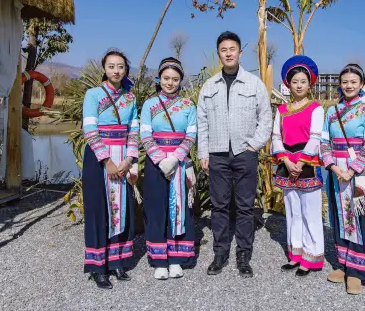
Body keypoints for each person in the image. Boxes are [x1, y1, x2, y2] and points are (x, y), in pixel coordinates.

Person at [197, 31, 272, 278]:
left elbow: (266, 118)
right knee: (218, 206)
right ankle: (220, 253)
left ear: (240, 52)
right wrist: (203, 152)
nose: (228, 53)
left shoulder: (254, 84)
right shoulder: (209, 86)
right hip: (217, 154)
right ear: (219, 54)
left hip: (244, 153)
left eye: (232, 49)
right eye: (223, 50)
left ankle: (243, 254)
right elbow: (202, 122)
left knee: (244, 207)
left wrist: (253, 145)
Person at [320, 63, 365, 295]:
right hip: (336, 172)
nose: (348, 85)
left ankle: (359, 271)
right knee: (339, 217)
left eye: (353, 82)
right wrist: (335, 168)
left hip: (357, 172)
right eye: (345, 82)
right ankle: (344, 265)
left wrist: (351, 170)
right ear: (340, 84)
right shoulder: (331, 111)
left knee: (358, 219)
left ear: (361, 84)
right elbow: (324, 143)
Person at [82, 49, 139, 290]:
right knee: (98, 211)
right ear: (104, 69)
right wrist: (107, 162)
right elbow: (90, 130)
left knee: (121, 209)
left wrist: (128, 161)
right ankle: (98, 267)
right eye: (111, 66)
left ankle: (118, 261)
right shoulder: (93, 95)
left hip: (123, 157)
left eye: (121, 67)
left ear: (126, 70)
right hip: (98, 159)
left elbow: (133, 130)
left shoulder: (130, 98)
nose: (116, 70)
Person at [140, 57, 197, 280]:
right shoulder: (149, 105)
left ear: (180, 81)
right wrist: (160, 159)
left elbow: (191, 134)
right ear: (159, 79)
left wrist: (175, 158)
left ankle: (176, 259)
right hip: (155, 164)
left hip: (179, 162)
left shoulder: (188, 105)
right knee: (156, 209)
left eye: (175, 79)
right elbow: (145, 133)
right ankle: (159, 260)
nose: (170, 83)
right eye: (166, 78)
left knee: (180, 209)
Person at [271, 56, 325, 277]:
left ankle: (312, 257)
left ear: (309, 83)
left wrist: (300, 162)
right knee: (292, 211)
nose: (299, 85)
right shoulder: (282, 110)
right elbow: (275, 137)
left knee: (309, 212)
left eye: (303, 81)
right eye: (295, 82)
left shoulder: (316, 108)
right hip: (287, 162)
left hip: (307, 163)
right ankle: (296, 254)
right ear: (288, 84)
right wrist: (285, 160)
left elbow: (315, 137)